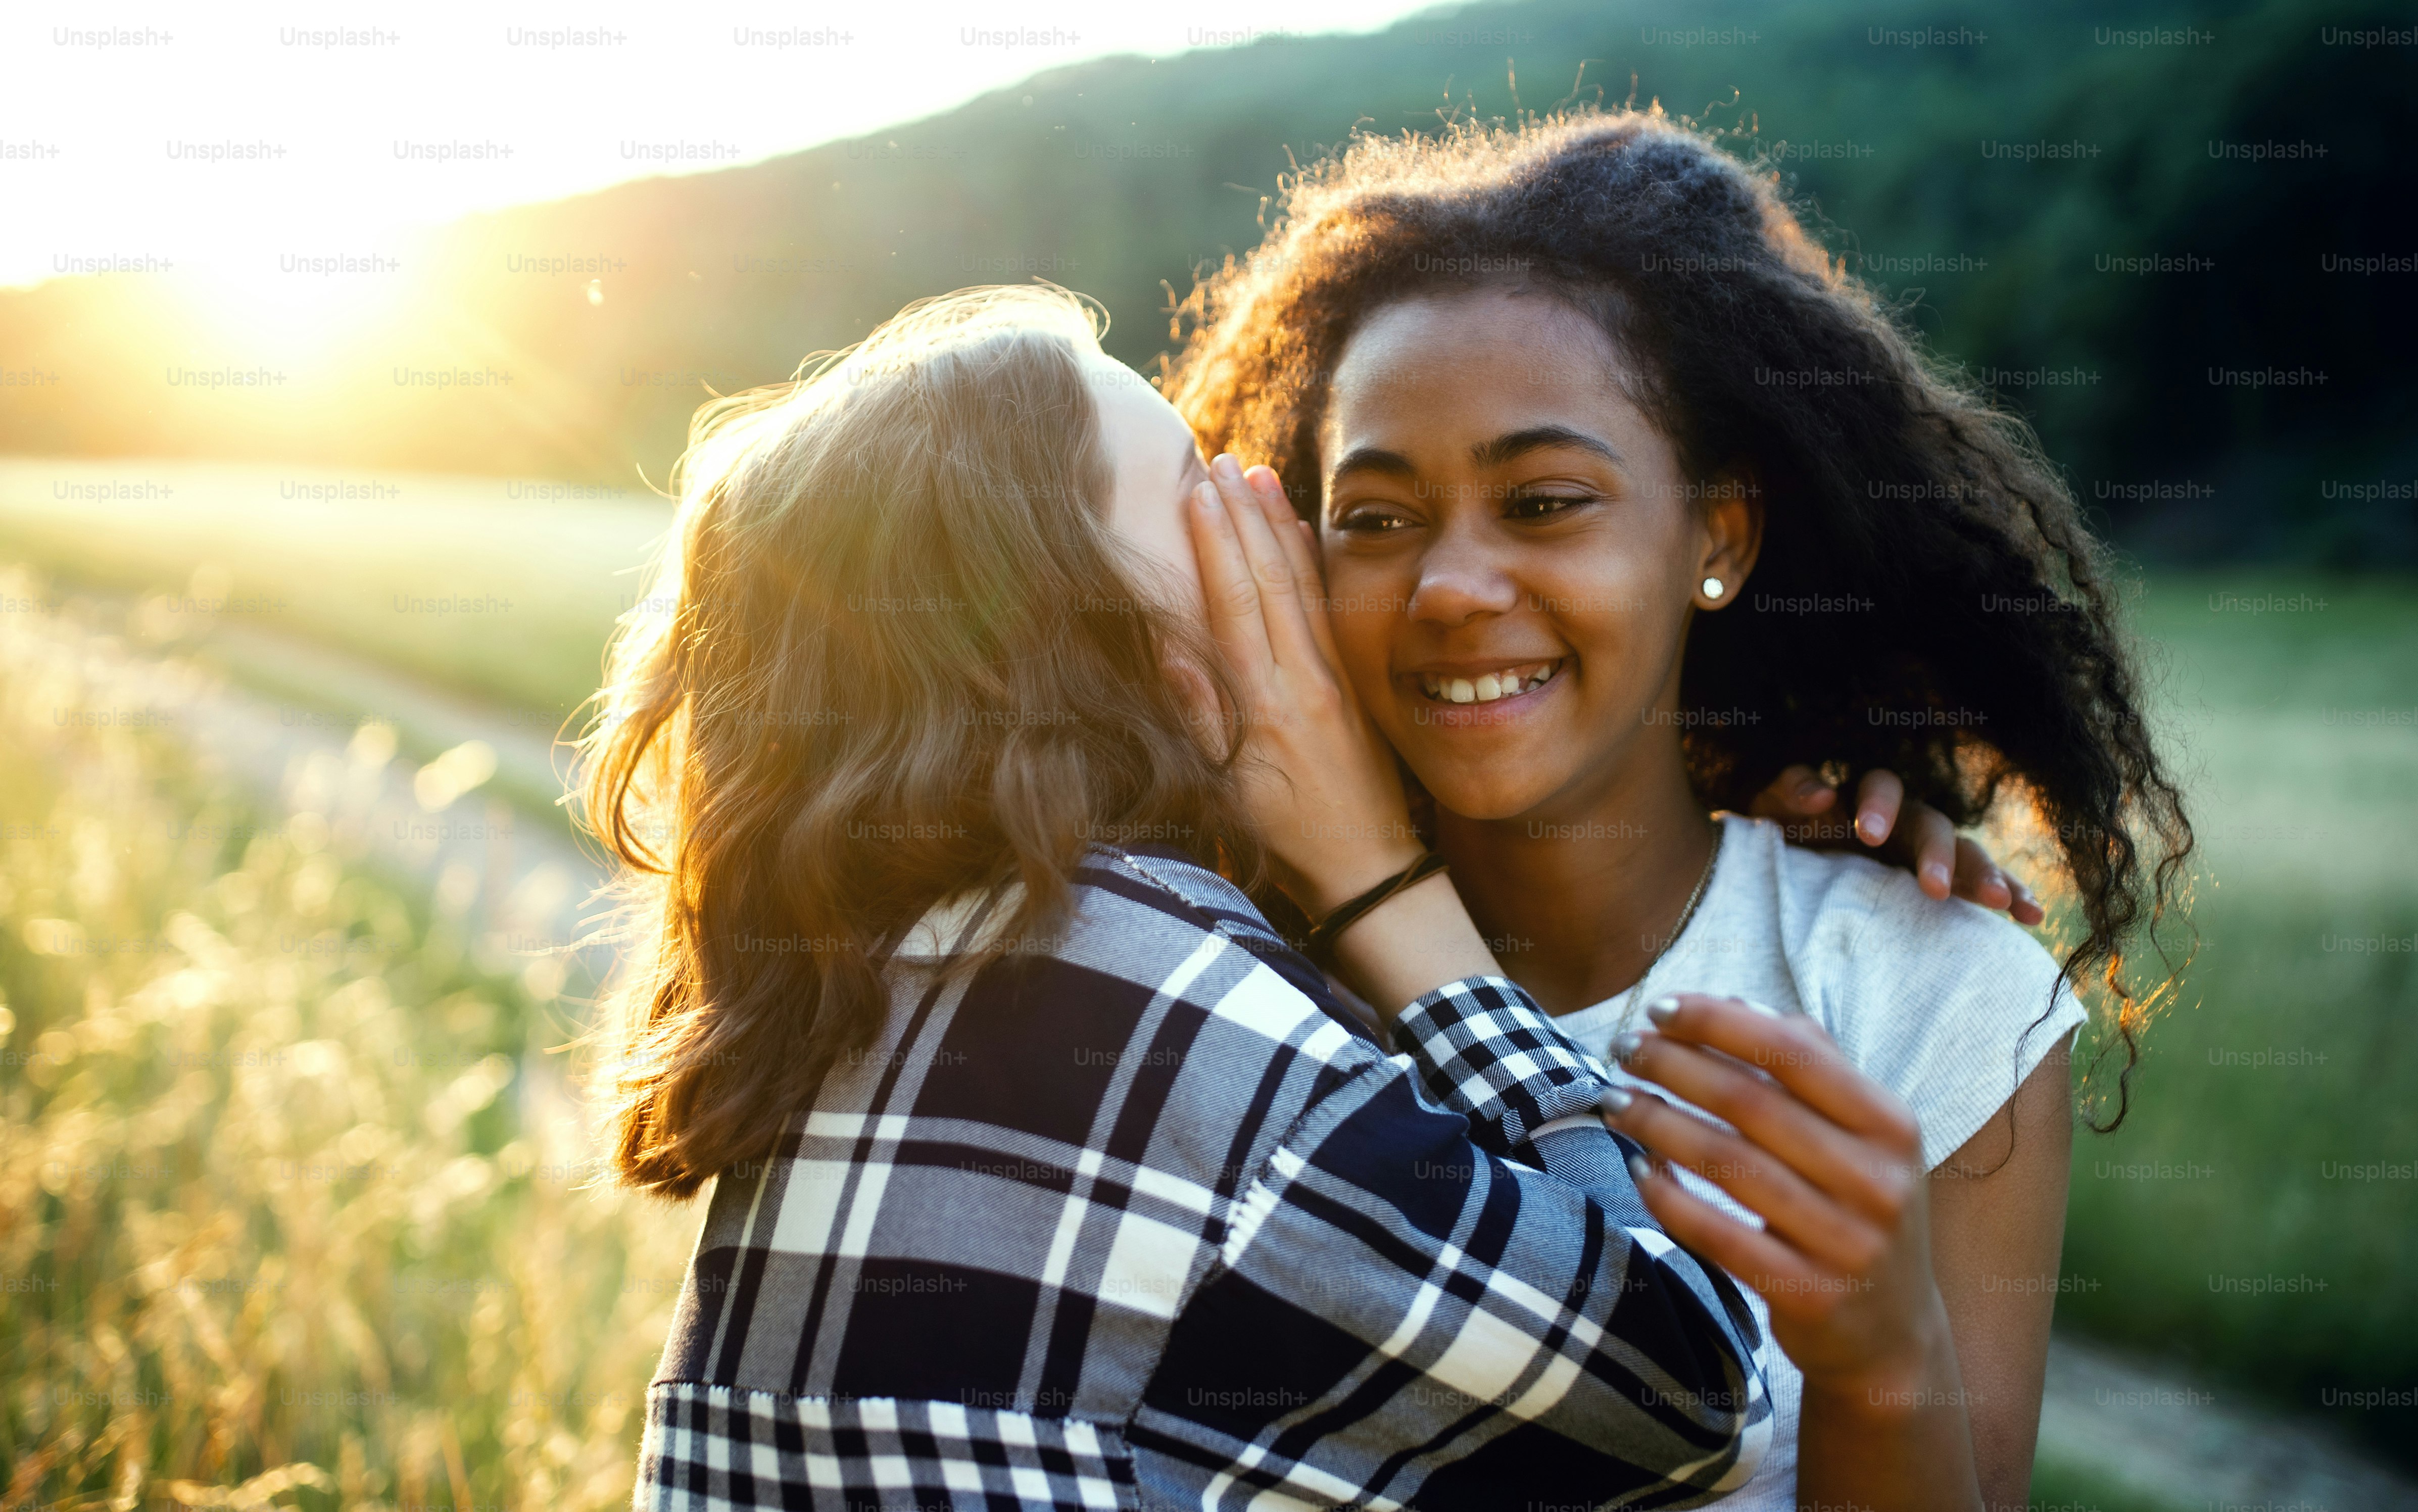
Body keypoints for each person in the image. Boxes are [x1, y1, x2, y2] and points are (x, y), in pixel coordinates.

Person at [585, 286, 1781, 1511]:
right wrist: (1386, 891)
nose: (1274, 530)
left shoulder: (853, 983)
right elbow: (1688, 1390)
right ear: (1094, 623)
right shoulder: (1174, 1021)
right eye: (1201, 491)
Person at [1167, 109, 2195, 1510]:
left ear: (1718, 536)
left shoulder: (1927, 992)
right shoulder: (1225, 972)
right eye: (1378, 517)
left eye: (1543, 502)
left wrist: (1879, 1359)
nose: (1452, 586)